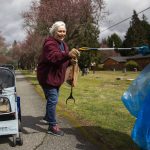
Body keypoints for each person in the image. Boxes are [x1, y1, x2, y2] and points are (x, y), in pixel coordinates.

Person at [37, 21, 80, 136]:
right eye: (59, 31)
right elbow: (54, 57)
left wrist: (71, 61)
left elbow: (63, 60)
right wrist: (68, 55)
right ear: (54, 32)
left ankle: (47, 117)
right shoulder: (49, 43)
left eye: (64, 31)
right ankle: (52, 126)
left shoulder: (64, 45)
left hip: (56, 78)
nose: (62, 34)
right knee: (53, 100)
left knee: (51, 99)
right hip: (47, 77)